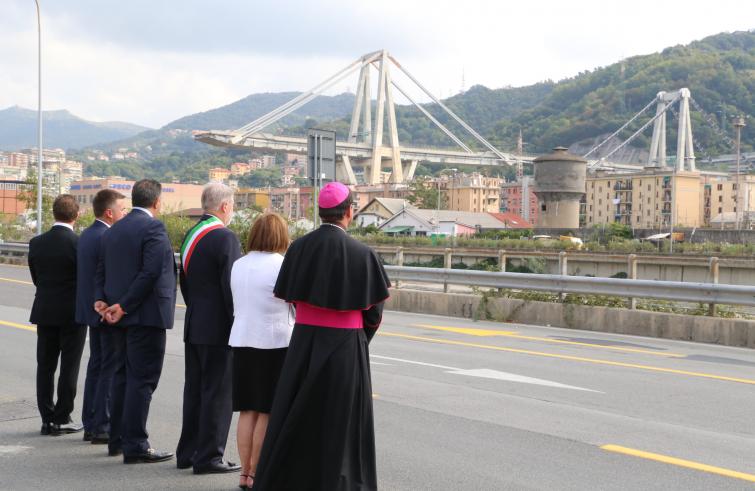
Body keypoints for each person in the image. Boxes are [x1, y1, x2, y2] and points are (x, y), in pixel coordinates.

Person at [252, 182, 391, 491]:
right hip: (345, 348)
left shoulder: (298, 248)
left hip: (303, 343)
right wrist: (357, 337)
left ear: (320, 212)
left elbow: (289, 299)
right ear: (350, 212)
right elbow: (374, 314)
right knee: (342, 425)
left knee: (296, 418)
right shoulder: (363, 254)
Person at [94, 179, 177, 464]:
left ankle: (117, 439)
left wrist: (101, 300)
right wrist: (125, 306)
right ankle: (136, 444)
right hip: (143, 315)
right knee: (142, 381)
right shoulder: (153, 227)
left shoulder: (114, 229)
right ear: (157, 202)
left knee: (121, 377)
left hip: (115, 316)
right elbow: (151, 271)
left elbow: (101, 269)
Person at [175, 183, 242, 474]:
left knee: (195, 391)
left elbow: (185, 282)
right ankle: (209, 457)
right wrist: (237, 322)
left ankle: (188, 452)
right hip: (220, 327)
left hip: (195, 322)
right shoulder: (225, 237)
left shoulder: (191, 235)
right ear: (225, 206)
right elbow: (232, 287)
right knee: (218, 393)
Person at [229, 213, 293, 490]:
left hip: (242, 340)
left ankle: (245, 471)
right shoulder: (282, 265)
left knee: (247, 410)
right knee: (266, 411)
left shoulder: (239, 264)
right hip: (274, 342)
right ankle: (257, 472)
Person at [28, 194, 87, 436]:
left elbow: (36, 277)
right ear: (76, 215)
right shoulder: (79, 244)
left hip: (45, 309)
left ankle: (46, 418)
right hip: (72, 312)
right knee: (69, 366)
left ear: (54, 213)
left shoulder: (37, 242)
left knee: (45, 366)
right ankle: (62, 417)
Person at [76, 189, 126, 444]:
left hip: (90, 311)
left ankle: (91, 422)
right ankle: (101, 425)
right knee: (108, 367)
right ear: (109, 212)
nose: (124, 213)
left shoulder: (87, 234)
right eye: (121, 209)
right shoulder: (106, 236)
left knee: (96, 366)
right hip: (103, 311)